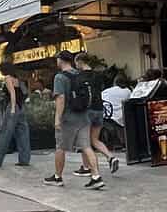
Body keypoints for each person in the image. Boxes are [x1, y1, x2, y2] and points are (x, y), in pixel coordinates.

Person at [44, 51, 104, 190]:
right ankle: (96, 176)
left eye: (57, 59)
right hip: (83, 115)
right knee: (86, 146)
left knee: (60, 147)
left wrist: (57, 119)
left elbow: (61, 99)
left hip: (68, 117)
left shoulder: (60, 77)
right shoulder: (79, 73)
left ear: (60, 60)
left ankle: (58, 177)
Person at [73, 53, 119, 175]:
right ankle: (110, 157)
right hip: (99, 110)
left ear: (79, 62)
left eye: (76, 62)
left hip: (86, 111)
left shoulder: (78, 77)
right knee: (94, 139)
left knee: (84, 140)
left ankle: (87, 167)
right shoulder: (98, 75)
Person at [0, 61, 30, 168]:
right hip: (21, 107)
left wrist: (13, 108)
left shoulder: (8, 78)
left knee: (5, 133)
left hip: (12, 107)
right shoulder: (18, 80)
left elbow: (12, 93)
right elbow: (25, 93)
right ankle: (24, 159)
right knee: (23, 134)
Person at [101, 74, 131, 146]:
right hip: (123, 116)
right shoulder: (128, 91)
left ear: (114, 82)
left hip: (109, 116)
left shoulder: (106, 91)